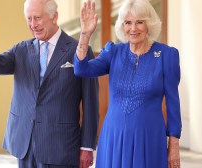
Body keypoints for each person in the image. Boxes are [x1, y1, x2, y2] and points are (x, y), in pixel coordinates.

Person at [0, 0, 99, 167]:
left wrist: (87, 146)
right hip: (24, 144)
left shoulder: (79, 50)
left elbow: (91, 103)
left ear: (54, 17)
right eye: (29, 19)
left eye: (38, 18)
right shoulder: (21, 49)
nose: (33, 24)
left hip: (61, 146)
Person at [74, 0, 182, 167]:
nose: (133, 28)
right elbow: (82, 69)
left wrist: (173, 146)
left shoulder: (166, 56)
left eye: (139, 22)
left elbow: (173, 104)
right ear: (122, 25)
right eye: (128, 23)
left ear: (149, 25)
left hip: (149, 139)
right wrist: (85, 35)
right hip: (114, 138)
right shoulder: (113, 51)